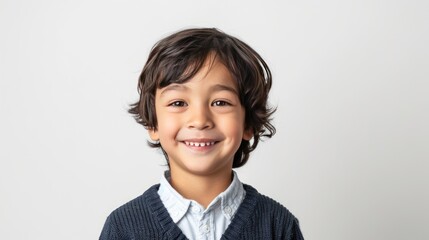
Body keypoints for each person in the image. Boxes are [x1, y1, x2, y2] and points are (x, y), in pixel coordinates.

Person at [99, 28, 304, 240]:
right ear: (153, 124)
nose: (200, 120)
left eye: (220, 102)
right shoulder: (123, 228)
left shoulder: (278, 225)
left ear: (248, 123)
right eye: (178, 103)